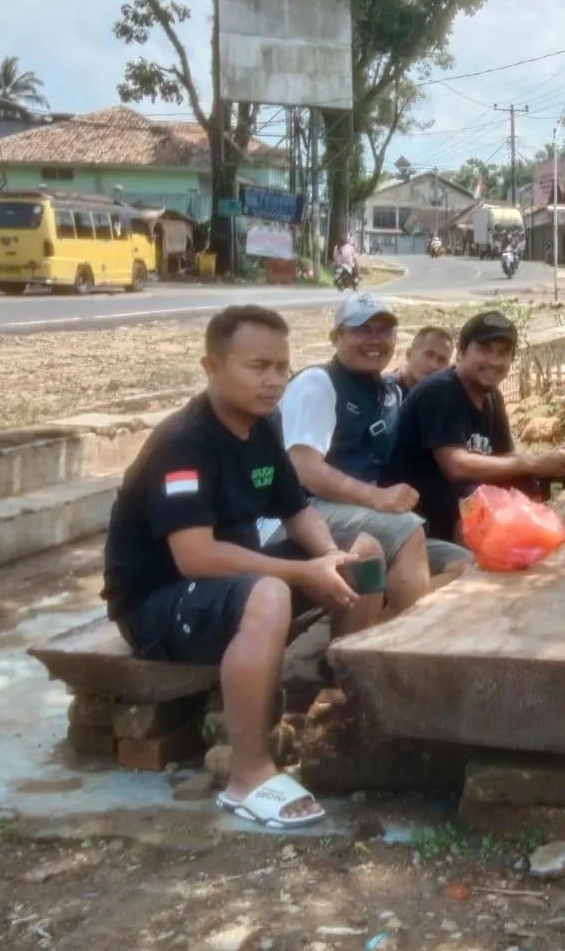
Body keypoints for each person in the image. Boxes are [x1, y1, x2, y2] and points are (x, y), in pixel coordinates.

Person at [102, 305, 377, 829]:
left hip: (228, 588)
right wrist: (299, 574)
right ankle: (247, 775)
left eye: (281, 367)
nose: (274, 381)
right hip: (160, 604)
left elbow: (296, 510)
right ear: (212, 367)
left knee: (361, 554)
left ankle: (341, 711)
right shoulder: (184, 443)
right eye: (258, 366)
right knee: (271, 592)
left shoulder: (260, 429)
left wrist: (325, 558)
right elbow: (195, 556)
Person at [271, 295, 467, 600]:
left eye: (383, 330)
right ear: (336, 337)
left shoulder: (389, 393)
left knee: (463, 564)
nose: (374, 339)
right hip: (302, 511)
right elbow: (304, 468)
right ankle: (397, 642)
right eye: (361, 329)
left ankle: (383, 628)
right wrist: (377, 497)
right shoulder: (317, 383)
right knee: (406, 530)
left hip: (362, 514)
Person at [389, 311, 565, 541]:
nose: (495, 361)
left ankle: (537, 541)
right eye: (484, 349)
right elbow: (456, 466)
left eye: (503, 353)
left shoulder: (492, 397)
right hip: (421, 513)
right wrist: (533, 461)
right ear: (461, 353)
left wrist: (550, 460)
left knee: (524, 480)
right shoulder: (439, 391)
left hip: (461, 503)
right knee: (476, 497)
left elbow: (504, 456)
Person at [391, 325, 454, 396]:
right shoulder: (385, 393)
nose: (434, 365)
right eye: (429, 355)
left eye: (442, 360)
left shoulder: (447, 398)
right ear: (409, 354)